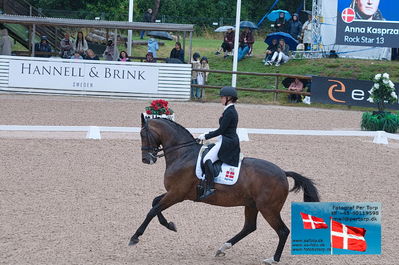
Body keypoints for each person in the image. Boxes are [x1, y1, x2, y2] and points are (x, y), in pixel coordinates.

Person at [197, 86, 240, 200]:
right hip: (225, 139)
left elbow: (221, 130)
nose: (220, 99)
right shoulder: (228, 110)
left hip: (228, 141)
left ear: (229, 98)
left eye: (222, 97)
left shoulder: (230, 112)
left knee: (207, 159)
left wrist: (205, 135)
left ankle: (210, 187)